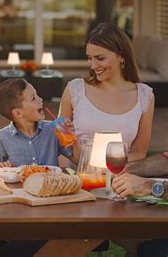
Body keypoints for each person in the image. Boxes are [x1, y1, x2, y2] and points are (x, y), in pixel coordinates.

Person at [59, 22, 154, 162]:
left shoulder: (144, 96)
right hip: (78, 179)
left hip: (119, 179)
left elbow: (139, 153)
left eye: (100, 58)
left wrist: (105, 168)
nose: (93, 66)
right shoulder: (75, 90)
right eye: (90, 58)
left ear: (121, 56)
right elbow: (61, 146)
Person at [0, 78, 74, 167]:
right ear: (17, 113)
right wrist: (0, 166)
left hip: (49, 181)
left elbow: (76, 159)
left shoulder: (53, 130)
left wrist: (71, 136)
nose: (40, 99)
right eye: (33, 98)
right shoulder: (2, 137)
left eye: (37, 95)